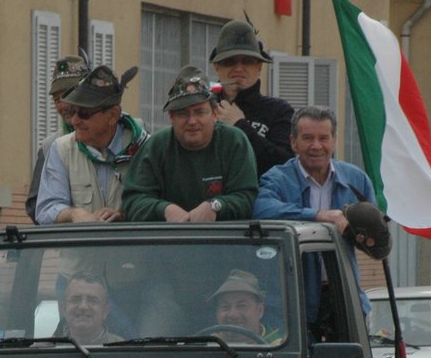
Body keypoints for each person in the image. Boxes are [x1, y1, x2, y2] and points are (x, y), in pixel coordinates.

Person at [253, 105, 376, 326]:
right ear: (293, 142)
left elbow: (375, 238)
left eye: (323, 138)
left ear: (334, 141)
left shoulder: (357, 179)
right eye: (307, 138)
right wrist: (318, 215)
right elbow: (261, 209)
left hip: (345, 297)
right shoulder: (277, 178)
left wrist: (368, 235)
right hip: (291, 302)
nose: (316, 146)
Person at [120, 66, 258, 223]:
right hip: (165, 242)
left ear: (214, 114)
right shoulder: (155, 147)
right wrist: (164, 210)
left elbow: (247, 197)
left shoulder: (234, 142)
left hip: (222, 242)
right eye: (183, 113)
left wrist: (216, 206)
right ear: (171, 117)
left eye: (199, 112)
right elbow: (133, 201)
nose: (192, 121)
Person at [34, 64, 148, 225]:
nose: (74, 120)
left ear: (113, 115)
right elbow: (45, 210)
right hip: (80, 250)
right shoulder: (61, 149)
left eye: (84, 113)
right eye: (73, 111)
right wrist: (74, 214)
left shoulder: (145, 147)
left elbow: (158, 205)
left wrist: (124, 216)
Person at [209, 20, 293, 175]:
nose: (238, 68)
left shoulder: (279, 111)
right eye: (229, 61)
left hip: (262, 196)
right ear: (217, 67)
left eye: (247, 61)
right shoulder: (202, 107)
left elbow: (285, 165)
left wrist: (240, 125)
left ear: (259, 66)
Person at [25, 54, 89, 222]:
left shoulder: (131, 135)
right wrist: (71, 215)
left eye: (68, 95)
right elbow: (35, 207)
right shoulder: (49, 147)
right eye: (56, 99)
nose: (63, 105)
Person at [207, 269, 282, 344]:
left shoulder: (279, 348)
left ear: (260, 310)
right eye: (225, 307)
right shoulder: (207, 346)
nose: (233, 314)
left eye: (241, 306)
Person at [60, 273, 122, 345]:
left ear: (105, 311)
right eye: (76, 299)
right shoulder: (47, 351)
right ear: (64, 308)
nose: (83, 306)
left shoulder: (125, 351)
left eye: (93, 300)